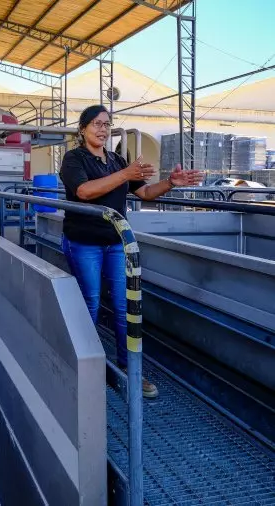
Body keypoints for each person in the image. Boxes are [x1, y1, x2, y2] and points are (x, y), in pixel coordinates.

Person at [59, 104, 203, 398]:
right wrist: (125, 173)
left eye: (106, 124)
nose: (102, 129)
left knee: (126, 306)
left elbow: (145, 192)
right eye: (96, 124)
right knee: (90, 303)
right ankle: (85, 368)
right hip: (84, 242)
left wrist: (170, 183)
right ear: (83, 129)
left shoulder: (116, 160)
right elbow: (84, 191)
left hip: (116, 242)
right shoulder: (74, 159)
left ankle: (128, 368)